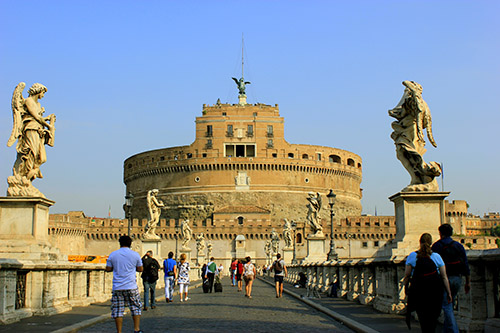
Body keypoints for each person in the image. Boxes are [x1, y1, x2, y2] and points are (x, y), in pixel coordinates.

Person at [403, 233, 452, 332]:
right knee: (433, 319)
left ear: (419, 242)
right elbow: (444, 277)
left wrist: (406, 288)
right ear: (431, 243)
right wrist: (448, 292)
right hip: (435, 292)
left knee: (423, 319)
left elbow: (407, 275)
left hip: (419, 292)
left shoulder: (412, 256)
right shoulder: (436, 256)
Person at [432, 224, 471, 333]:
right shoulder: (458, 246)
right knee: (451, 304)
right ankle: (447, 331)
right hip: (457, 278)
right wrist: (468, 282)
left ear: (441, 233)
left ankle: (454, 331)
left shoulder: (437, 246)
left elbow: (433, 265)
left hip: (444, 280)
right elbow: (466, 265)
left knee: (447, 306)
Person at [105, 235, 143, 333]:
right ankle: (136, 329)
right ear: (130, 244)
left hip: (118, 286)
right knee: (136, 307)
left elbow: (108, 269)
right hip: (131, 286)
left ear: (120, 243)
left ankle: (119, 331)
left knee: (118, 310)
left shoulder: (113, 255)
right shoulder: (135, 255)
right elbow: (140, 269)